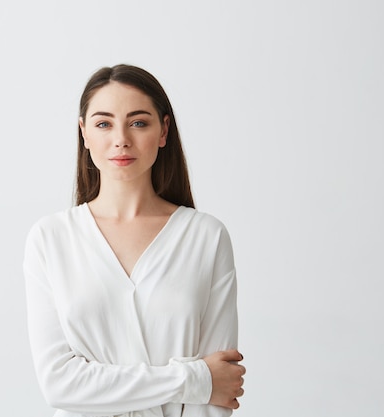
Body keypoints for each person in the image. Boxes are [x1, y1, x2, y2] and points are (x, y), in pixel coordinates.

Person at [24, 64, 245, 417]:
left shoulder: (206, 237)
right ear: (84, 132)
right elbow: (60, 384)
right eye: (103, 123)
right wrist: (194, 379)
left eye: (138, 122)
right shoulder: (50, 240)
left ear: (163, 130)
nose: (121, 139)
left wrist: (208, 382)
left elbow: (220, 389)